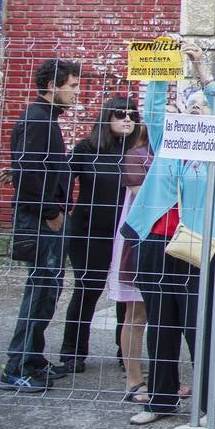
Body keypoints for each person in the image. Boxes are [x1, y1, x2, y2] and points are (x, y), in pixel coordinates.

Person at [122, 38, 215, 424]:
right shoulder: (169, 141)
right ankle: (161, 399)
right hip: (157, 241)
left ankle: (210, 401)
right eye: (192, 105)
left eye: (204, 106)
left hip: (198, 244)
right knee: (161, 325)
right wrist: (163, 61)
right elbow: (152, 107)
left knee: (195, 325)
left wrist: (200, 64)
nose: (197, 110)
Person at [0, 57, 80, 392]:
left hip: (47, 216)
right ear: (52, 85)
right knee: (40, 291)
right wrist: (52, 214)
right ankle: (16, 367)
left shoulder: (44, 118)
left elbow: (28, 166)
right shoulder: (37, 120)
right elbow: (32, 173)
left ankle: (33, 358)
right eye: (72, 85)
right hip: (42, 220)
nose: (77, 92)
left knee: (49, 291)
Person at [57, 98, 143, 376]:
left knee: (125, 295)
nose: (127, 119)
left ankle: (124, 353)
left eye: (132, 115)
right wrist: (60, 211)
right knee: (87, 290)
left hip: (128, 233)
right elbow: (61, 178)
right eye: (120, 114)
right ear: (107, 117)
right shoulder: (87, 148)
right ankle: (73, 352)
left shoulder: (139, 151)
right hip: (89, 231)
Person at [108, 121, 153, 403]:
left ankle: (164, 378)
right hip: (139, 239)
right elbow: (145, 195)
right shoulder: (138, 155)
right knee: (135, 314)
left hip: (172, 240)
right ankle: (134, 380)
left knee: (163, 318)